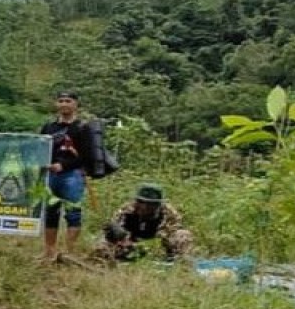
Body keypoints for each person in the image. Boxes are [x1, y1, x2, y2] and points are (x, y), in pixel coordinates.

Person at [40, 91, 93, 263]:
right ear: (56, 104)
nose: (64, 104)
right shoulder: (49, 127)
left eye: (68, 101)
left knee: (73, 214)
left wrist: (63, 165)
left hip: (73, 175)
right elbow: (39, 148)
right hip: (50, 176)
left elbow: (86, 155)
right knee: (50, 213)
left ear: (75, 104)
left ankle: (69, 253)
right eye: (61, 101)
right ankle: (49, 252)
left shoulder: (82, 128)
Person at [95, 183, 194, 261]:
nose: (145, 207)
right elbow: (114, 228)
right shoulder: (126, 211)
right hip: (128, 242)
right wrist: (122, 239)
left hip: (159, 242)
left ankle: (181, 263)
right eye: (141, 202)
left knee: (183, 235)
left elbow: (170, 233)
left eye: (150, 204)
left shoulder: (168, 213)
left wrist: (147, 248)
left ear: (158, 204)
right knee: (102, 244)